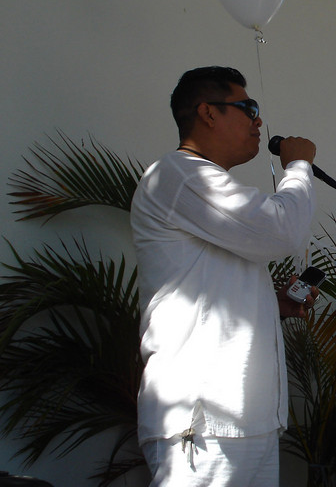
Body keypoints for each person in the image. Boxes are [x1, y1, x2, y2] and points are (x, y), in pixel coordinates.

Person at [130, 66, 318, 486]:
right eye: (248, 108)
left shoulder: (200, 185)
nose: (258, 121)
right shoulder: (178, 174)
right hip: (204, 418)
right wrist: (298, 166)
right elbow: (281, 229)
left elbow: (209, 284)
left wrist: (271, 302)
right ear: (208, 112)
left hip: (243, 420)